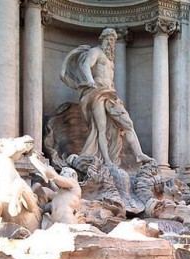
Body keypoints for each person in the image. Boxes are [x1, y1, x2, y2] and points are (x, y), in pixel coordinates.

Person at [61, 28, 151, 166]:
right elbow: (86, 65)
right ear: (102, 39)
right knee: (100, 127)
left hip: (111, 95)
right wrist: (90, 79)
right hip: (97, 92)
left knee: (128, 124)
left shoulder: (110, 60)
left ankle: (139, 154)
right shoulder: (96, 51)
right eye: (108, 39)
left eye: (112, 40)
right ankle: (106, 160)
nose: (110, 42)